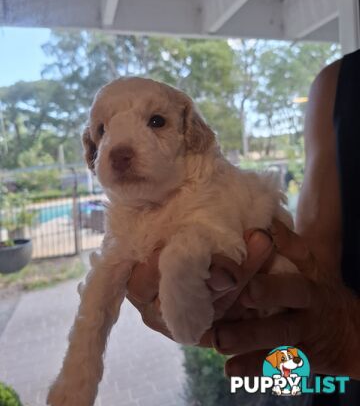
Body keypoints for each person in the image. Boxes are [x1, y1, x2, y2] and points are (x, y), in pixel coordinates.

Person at [126, 51, 360, 403]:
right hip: (335, 382)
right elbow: (313, 259)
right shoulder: (339, 84)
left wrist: (349, 339)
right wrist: (259, 295)